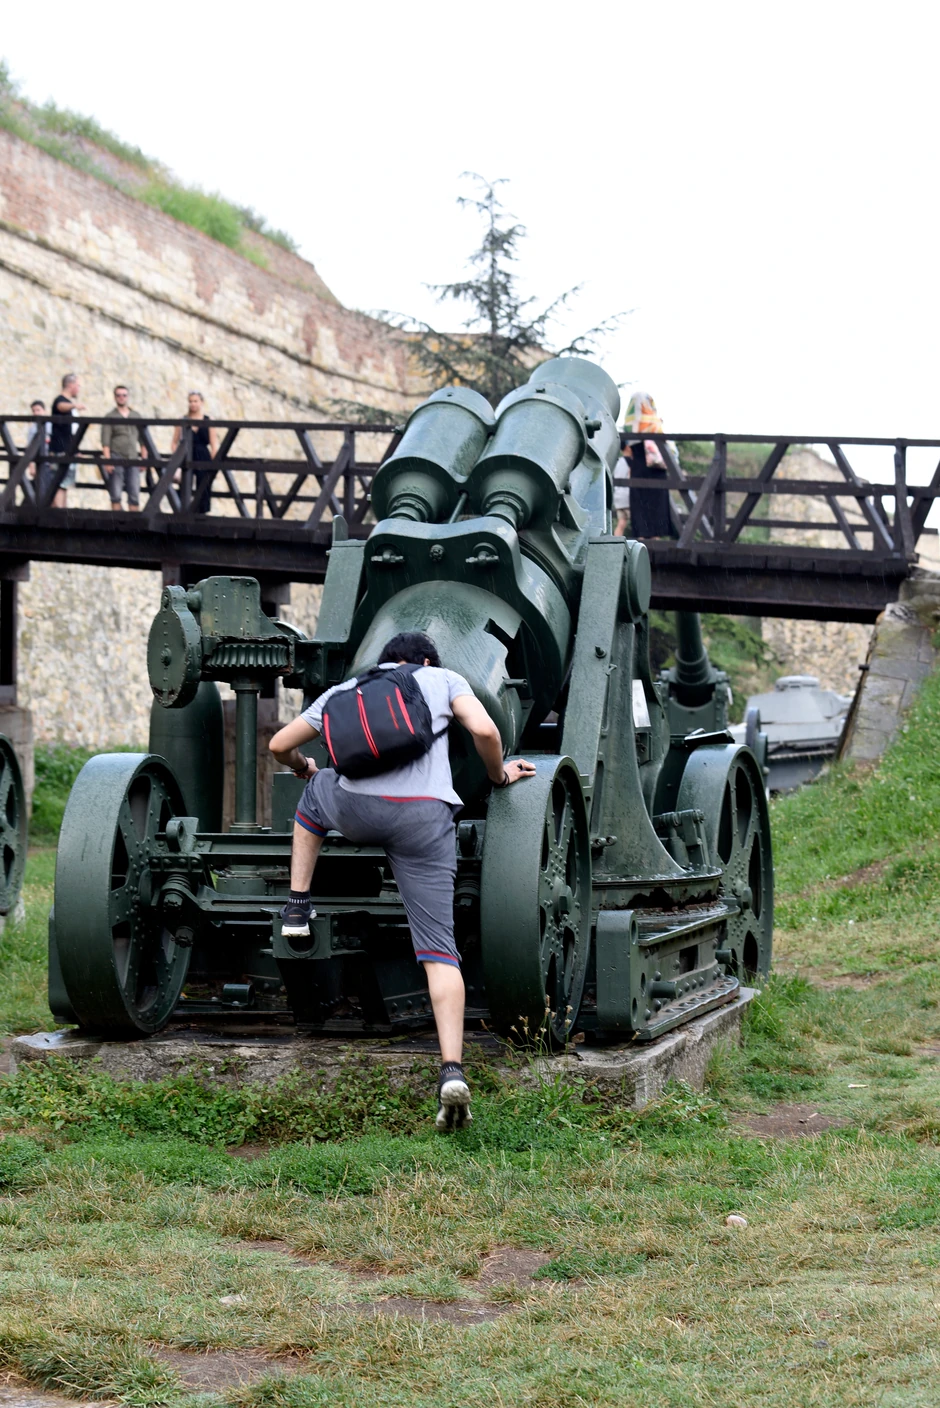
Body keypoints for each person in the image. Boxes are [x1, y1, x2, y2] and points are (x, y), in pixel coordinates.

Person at [269, 630, 536, 1132]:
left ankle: (298, 905)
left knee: (315, 793)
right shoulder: (444, 679)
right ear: (427, 661)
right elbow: (484, 731)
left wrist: (305, 767)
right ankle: (451, 1070)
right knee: (439, 951)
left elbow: (279, 745)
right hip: (422, 821)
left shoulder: (347, 689)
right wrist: (498, 776)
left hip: (354, 810)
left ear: (386, 661)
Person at [623, 389, 679, 541]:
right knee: (657, 504)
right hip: (657, 470)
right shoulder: (655, 422)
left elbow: (626, 448)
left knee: (640, 504)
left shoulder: (629, 424)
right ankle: (656, 538)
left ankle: (641, 538)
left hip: (638, 468)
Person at [101, 385, 146, 512]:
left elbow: (143, 440)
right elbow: (105, 442)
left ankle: (134, 521)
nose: (121, 397)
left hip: (133, 457)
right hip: (116, 456)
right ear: (115, 397)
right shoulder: (110, 416)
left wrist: (144, 459)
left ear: (128, 397)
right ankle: (116, 520)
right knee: (115, 493)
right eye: (118, 395)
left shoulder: (136, 416)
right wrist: (108, 461)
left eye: (124, 395)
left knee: (134, 492)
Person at [171, 391, 217, 512]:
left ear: (201, 402)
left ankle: (201, 513)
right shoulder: (182, 419)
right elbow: (174, 442)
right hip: (186, 454)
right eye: (190, 401)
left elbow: (214, 444)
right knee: (185, 485)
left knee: (204, 485)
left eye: (195, 401)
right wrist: (177, 457)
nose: (193, 404)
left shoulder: (208, 420)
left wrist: (214, 463)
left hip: (203, 454)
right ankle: (182, 511)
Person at [46, 373, 85, 507]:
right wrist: (74, 406)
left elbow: (71, 432)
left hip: (68, 449)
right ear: (70, 385)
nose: (79, 389)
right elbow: (60, 406)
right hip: (59, 449)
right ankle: (58, 513)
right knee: (57, 484)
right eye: (78, 385)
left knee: (64, 484)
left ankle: (62, 512)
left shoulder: (68, 403)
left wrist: (76, 449)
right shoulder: (60, 400)